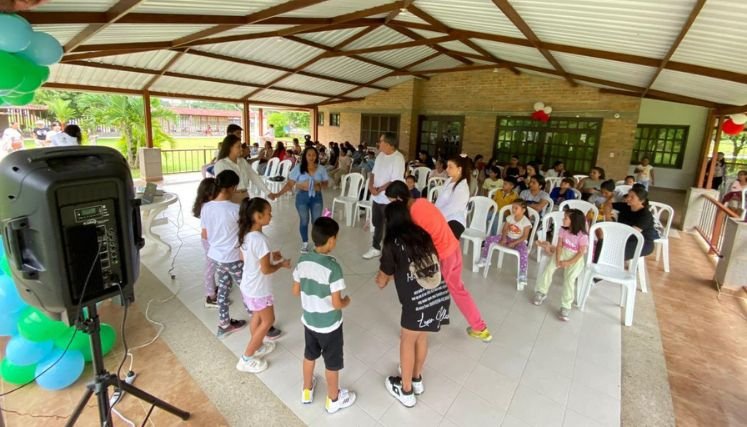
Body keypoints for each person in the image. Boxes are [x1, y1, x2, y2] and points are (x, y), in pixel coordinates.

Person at [385, 181, 492, 342]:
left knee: (423, 291)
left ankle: (414, 330)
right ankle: (480, 327)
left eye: (391, 201)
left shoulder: (412, 215)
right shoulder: (421, 201)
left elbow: (418, 243)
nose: (390, 204)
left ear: (399, 199)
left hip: (444, 256)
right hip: (454, 247)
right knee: (458, 289)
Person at [376, 201, 450, 408]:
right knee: (421, 336)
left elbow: (384, 276)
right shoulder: (421, 233)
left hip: (417, 301)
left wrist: (381, 280)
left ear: (389, 220)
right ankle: (416, 378)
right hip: (437, 293)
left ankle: (406, 389)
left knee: (407, 340)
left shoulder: (392, 241)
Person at [292, 217, 357, 414]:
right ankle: (333, 399)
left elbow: (295, 291)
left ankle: (306, 390)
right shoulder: (333, 267)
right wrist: (347, 301)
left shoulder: (302, 260)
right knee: (332, 363)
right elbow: (337, 303)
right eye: (335, 238)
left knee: (309, 355)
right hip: (330, 325)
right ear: (330, 240)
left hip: (310, 321)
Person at [235, 197, 290, 374]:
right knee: (268, 320)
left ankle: (256, 346)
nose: (271, 216)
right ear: (257, 216)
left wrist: (273, 257)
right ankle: (246, 358)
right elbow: (266, 269)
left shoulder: (246, 234)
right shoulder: (260, 240)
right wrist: (281, 264)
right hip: (259, 289)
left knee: (257, 317)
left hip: (248, 286)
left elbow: (246, 258)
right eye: (268, 213)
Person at [199, 171, 248, 338]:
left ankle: (224, 324)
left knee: (223, 289)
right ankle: (262, 323)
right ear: (233, 187)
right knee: (248, 289)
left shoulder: (206, 207)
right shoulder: (236, 209)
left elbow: (205, 234)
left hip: (217, 257)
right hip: (233, 257)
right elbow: (246, 234)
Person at [533, 209, 589, 321]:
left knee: (569, 279)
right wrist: (558, 259)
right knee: (549, 269)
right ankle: (541, 292)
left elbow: (580, 253)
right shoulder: (563, 230)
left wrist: (568, 262)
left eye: (566, 218)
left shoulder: (582, 236)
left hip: (575, 259)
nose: (563, 219)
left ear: (574, 221)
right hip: (562, 252)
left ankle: (566, 306)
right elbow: (559, 246)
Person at [271, 147, 330, 252]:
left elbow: (326, 184)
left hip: (316, 197)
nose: (311, 157)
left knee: (316, 222)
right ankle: (305, 243)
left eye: (314, 155)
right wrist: (278, 194)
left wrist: (318, 184)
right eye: (309, 155)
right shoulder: (298, 168)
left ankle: (317, 243)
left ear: (317, 156)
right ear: (305, 156)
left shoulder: (321, 169)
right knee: (304, 220)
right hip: (302, 198)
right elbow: (290, 184)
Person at [362, 132, 405, 259]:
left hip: (389, 199)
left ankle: (391, 251)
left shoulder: (398, 158)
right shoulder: (380, 155)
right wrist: (370, 187)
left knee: (391, 226)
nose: (378, 143)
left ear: (388, 144)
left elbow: (394, 180)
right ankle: (375, 247)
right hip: (376, 197)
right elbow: (373, 173)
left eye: (380, 141)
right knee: (377, 223)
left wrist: (379, 189)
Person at [477, 199, 532, 288]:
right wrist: (503, 238)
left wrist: (515, 243)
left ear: (523, 210)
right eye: (512, 208)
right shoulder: (510, 217)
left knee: (524, 252)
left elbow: (525, 236)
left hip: (519, 241)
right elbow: (505, 229)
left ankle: (522, 273)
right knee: (489, 239)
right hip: (507, 237)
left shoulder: (526, 222)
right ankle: (484, 258)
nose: (513, 210)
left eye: (516, 208)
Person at [600, 186, 658, 260]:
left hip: (642, 242)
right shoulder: (626, 207)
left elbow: (632, 232)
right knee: (601, 245)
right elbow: (608, 204)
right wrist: (608, 217)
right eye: (628, 195)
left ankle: (614, 268)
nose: (627, 198)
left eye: (632, 197)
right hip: (624, 237)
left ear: (641, 200)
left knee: (613, 252)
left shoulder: (645, 214)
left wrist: (613, 233)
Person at [213, 134, 271, 203]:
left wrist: (267, 192)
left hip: (245, 196)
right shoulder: (221, 164)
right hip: (230, 199)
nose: (241, 149)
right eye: (238, 147)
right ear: (230, 148)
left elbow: (254, 176)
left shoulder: (242, 161)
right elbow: (220, 186)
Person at [192, 178, 220, 308]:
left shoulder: (206, 205)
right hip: (209, 241)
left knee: (212, 266)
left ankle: (213, 289)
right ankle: (210, 296)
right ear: (209, 194)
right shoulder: (207, 207)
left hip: (209, 240)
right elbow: (205, 231)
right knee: (210, 268)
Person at [435, 155, 471, 239]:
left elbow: (452, 208)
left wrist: (437, 217)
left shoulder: (462, 187)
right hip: (442, 215)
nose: (447, 169)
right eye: (447, 166)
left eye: (450, 167)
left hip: (454, 220)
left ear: (459, 169)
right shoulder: (449, 180)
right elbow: (440, 200)